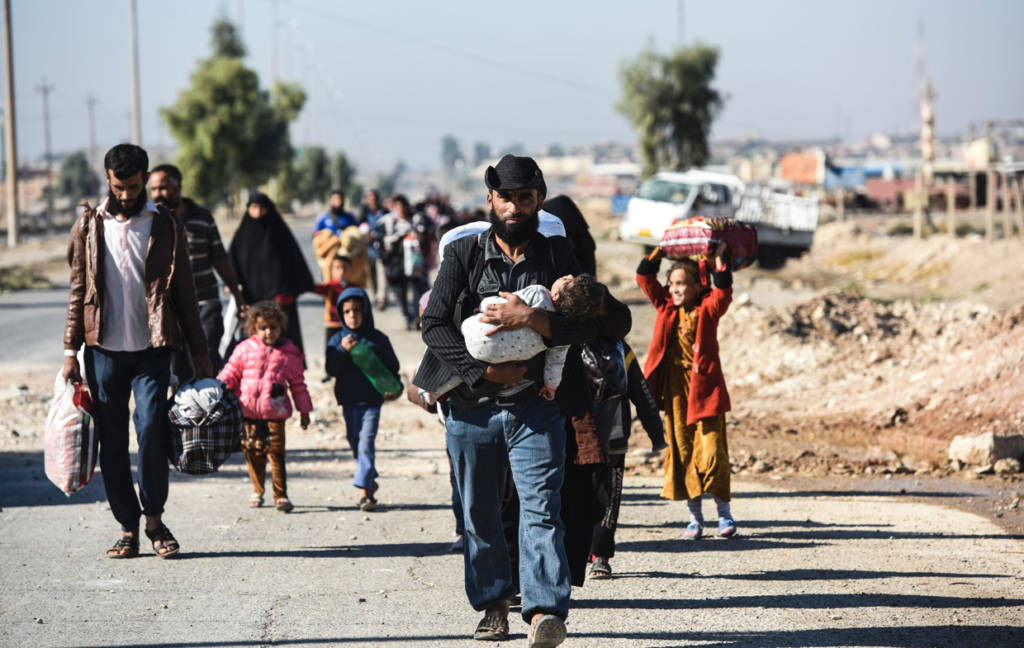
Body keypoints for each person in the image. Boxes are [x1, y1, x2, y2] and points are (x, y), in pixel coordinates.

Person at [416, 154, 630, 646]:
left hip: (537, 406)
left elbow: (585, 321)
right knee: (480, 512)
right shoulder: (464, 255)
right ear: (491, 199)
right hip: (472, 408)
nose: (516, 206)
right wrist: (481, 370)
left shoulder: (558, 255)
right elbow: (434, 325)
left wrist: (530, 319)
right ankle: (493, 606)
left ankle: (543, 613)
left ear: (538, 199)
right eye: (507, 197)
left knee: (542, 509)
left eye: (526, 198)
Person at [62, 143, 213, 559]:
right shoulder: (90, 226)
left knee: (150, 430)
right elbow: (79, 291)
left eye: (132, 186)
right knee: (111, 442)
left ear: (145, 179)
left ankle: (154, 520)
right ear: (107, 181)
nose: (125, 194)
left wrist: (200, 350)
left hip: (152, 349)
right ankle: (127, 527)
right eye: (117, 186)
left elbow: (185, 290)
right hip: (103, 352)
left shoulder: (164, 224)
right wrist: (69, 352)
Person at [636, 241, 736, 539]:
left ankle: (724, 514)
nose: (676, 289)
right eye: (672, 284)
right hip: (676, 391)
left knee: (713, 452)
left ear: (696, 287)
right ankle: (694, 519)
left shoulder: (708, 310)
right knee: (683, 452)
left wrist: (719, 260)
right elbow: (644, 278)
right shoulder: (665, 307)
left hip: (705, 392)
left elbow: (723, 293)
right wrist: (660, 252)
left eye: (682, 284)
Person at [433, 274, 606, 400]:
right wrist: (550, 387)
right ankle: (437, 390)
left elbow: (505, 304)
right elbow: (555, 363)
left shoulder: (538, 293)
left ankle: (433, 389)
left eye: (567, 280)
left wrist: (483, 304)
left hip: (476, 330)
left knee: (457, 345)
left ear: (556, 295)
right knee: (467, 371)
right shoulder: (561, 336)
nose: (567, 275)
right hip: (494, 357)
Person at [148, 164, 245, 378]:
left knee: (207, 358)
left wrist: (237, 294)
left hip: (205, 302)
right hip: (170, 308)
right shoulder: (150, 220)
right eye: (153, 189)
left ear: (178, 187)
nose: (157, 194)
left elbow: (219, 256)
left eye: (162, 188)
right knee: (178, 367)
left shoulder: (202, 216)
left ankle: (211, 407)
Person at [218, 301, 312, 512]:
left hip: (275, 413)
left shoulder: (288, 353)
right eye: (263, 328)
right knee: (253, 452)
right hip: (248, 412)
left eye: (273, 327)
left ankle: (280, 494)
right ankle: (257, 490)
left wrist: (304, 411)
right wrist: (217, 389)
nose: (268, 332)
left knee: (276, 454)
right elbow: (230, 373)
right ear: (253, 328)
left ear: (281, 327)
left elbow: (298, 385)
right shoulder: (244, 349)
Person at [585, 341, 666, 580]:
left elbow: (640, 391)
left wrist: (656, 433)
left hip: (613, 436)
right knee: (579, 494)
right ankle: (576, 551)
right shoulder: (566, 340)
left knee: (609, 495)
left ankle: (600, 554)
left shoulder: (620, 348)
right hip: (576, 436)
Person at [326, 287, 401, 511]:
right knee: (355, 442)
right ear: (341, 314)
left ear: (366, 311)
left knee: (366, 442)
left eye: (357, 310)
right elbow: (331, 369)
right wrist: (341, 350)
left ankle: (363, 492)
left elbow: (393, 367)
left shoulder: (378, 340)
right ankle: (370, 482)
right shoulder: (337, 340)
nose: (352, 316)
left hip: (372, 401)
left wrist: (395, 388)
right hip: (348, 400)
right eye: (347, 311)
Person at [228, 192, 315, 355]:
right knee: (253, 340)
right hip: (251, 297)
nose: (258, 212)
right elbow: (232, 260)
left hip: (278, 298)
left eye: (262, 208)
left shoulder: (279, 231)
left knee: (283, 340)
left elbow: (293, 261)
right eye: (254, 207)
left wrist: (288, 290)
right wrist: (231, 283)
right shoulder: (242, 234)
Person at [376, 193, 435, 329]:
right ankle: (406, 318)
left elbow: (431, 232)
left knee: (418, 290)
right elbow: (379, 239)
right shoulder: (387, 222)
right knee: (400, 293)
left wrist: (419, 237)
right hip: (396, 263)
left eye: (403, 205)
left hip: (416, 263)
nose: (400, 209)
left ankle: (417, 317)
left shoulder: (418, 219)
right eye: (397, 206)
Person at [311, 254, 353, 346]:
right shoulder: (330, 287)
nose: (341, 271)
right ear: (332, 270)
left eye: (345, 268)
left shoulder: (353, 288)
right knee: (331, 351)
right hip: (332, 324)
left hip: (349, 325)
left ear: (351, 271)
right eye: (338, 268)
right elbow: (314, 288)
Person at [359, 189, 388, 309]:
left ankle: (382, 298)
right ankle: (373, 297)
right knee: (370, 275)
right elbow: (358, 227)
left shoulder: (384, 212)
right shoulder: (364, 213)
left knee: (382, 274)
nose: (372, 199)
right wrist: (366, 235)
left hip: (382, 248)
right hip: (368, 249)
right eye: (370, 197)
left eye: (374, 197)